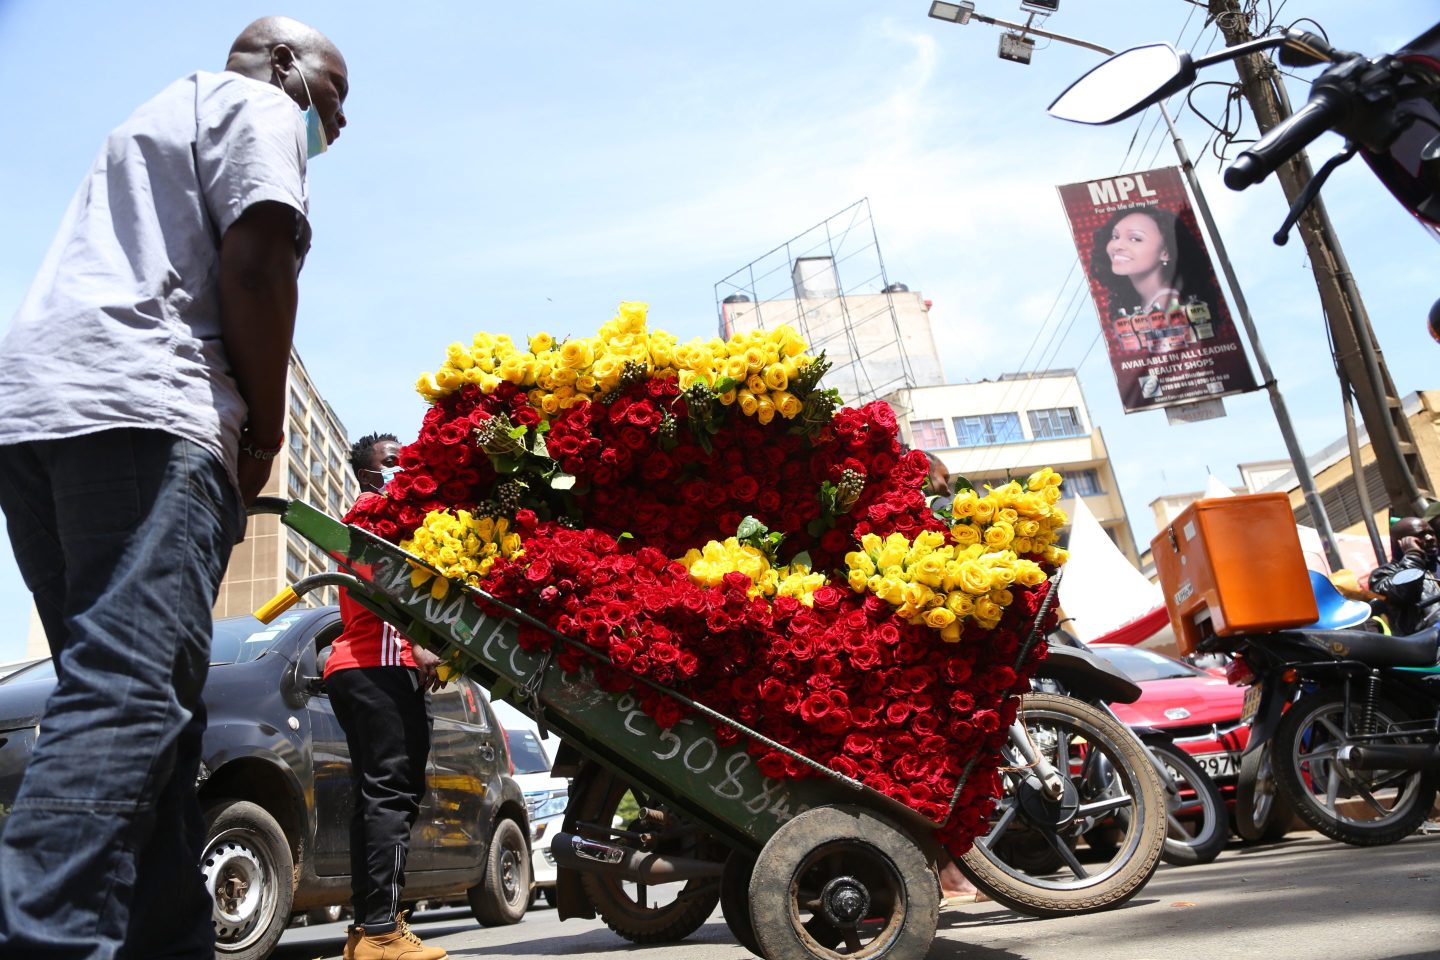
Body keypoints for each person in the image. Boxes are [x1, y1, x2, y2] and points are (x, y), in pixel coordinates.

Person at [0, 17, 346, 959]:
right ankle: (48, 938)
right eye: (336, 93)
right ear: (286, 64)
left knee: (150, 707)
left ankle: (171, 940)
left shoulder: (149, 121)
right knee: (131, 692)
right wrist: (265, 434)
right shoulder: (258, 103)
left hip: (39, 417)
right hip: (148, 411)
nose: (339, 122)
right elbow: (257, 263)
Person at [329, 433, 449, 960]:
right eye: (390, 462)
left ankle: (367, 929)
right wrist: (420, 645)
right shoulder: (374, 512)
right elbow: (385, 588)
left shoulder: (370, 511)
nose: (402, 469)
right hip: (379, 664)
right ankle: (382, 932)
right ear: (367, 473)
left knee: (375, 797)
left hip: (358, 668)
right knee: (392, 797)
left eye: (405, 461)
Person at [1089, 206, 1222, 319]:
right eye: (1115, 236)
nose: (1117, 245)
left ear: (1165, 253)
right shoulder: (1142, 302)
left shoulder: (1167, 302)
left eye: (1135, 239)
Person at [1367, 516, 1440, 634]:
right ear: (1401, 543)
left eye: (1431, 533)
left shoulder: (1437, 564)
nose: (1430, 538)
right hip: (1427, 644)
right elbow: (1404, 592)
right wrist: (1413, 554)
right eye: (1421, 535)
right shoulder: (1382, 574)